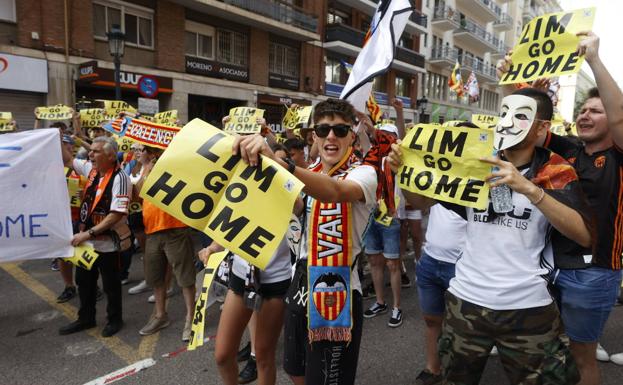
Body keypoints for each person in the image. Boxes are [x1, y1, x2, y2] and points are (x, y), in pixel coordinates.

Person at [390, 89, 591, 384]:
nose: (508, 122)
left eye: (521, 115)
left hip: (528, 306)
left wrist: (531, 190)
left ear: (542, 128)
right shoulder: (475, 163)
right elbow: (420, 203)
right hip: (465, 302)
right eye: (505, 113)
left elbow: (584, 234)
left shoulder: (556, 170)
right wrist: (404, 172)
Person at [497, 32, 623, 384]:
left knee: (584, 359)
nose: (584, 115)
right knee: (552, 353)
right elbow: (527, 130)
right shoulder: (568, 149)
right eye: (581, 110)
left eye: (595, 111)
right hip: (548, 265)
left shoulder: (617, 156)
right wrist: (511, 83)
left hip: (593, 272)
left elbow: (620, 120)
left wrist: (594, 60)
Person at [233, 98, 377, 385]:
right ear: (314, 136)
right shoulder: (311, 171)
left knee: (324, 380)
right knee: (295, 370)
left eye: (339, 130)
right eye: (323, 131)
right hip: (300, 282)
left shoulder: (364, 173)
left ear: (352, 135)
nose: (331, 136)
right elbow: (300, 208)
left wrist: (282, 164)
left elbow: (335, 192)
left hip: (336, 291)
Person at [59, 136, 131, 337]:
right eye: (90, 151)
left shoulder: (121, 178)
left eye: (96, 151)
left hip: (107, 243)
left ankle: (114, 320)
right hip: (87, 243)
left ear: (109, 155)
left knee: (111, 286)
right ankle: (86, 318)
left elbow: (116, 214)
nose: (90, 154)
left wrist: (88, 233)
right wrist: (55, 137)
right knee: (84, 282)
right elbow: (67, 159)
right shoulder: (91, 170)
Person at [135, 145, 196, 342]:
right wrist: (145, 170)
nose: (138, 152)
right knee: (156, 277)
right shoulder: (144, 168)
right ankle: (161, 316)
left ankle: (191, 318)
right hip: (152, 230)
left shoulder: (176, 164)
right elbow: (140, 195)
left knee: (185, 276)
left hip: (175, 228)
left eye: (142, 150)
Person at [363, 123, 405, 328]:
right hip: (372, 214)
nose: (383, 139)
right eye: (382, 135)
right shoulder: (370, 157)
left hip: (391, 215)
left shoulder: (400, 158)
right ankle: (380, 302)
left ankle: (397, 307)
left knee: (392, 264)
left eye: (388, 136)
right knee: (374, 261)